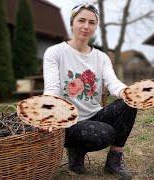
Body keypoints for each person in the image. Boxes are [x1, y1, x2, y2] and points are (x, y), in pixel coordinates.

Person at [43, 3, 137, 180]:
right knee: (104, 133)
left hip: (94, 116)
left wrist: (126, 91)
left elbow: (113, 82)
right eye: (81, 20)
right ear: (72, 23)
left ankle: (114, 161)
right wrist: (48, 111)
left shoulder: (101, 57)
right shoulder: (55, 53)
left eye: (92, 22)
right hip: (68, 123)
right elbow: (52, 88)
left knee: (130, 101)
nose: (86, 26)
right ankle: (76, 152)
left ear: (96, 27)